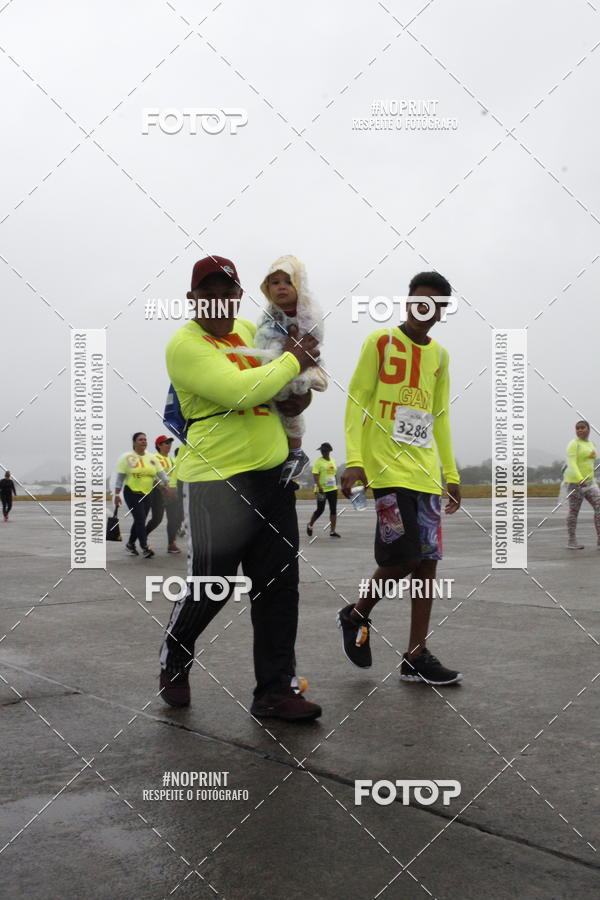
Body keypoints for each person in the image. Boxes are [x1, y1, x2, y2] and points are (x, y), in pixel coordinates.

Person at [158, 255, 322, 721]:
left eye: (227, 293)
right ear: (193, 300)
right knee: (213, 585)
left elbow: (281, 388)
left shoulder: (250, 336)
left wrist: (300, 386)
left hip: (273, 479)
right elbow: (240, 390)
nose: (218, 302)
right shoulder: (185, 346)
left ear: (237, 297)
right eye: (206, 294)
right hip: (216, 483)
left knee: (279, 588)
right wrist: (294, 359)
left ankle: (275, 690)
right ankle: (175, 653)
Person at [338, 271, 463, 685]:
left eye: (434, 303)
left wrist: (451, 472)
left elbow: (440, 418)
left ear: (442, 311)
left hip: (426, 475)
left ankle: (415, 655)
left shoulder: (440, 357)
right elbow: (357, 398)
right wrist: (355, 459)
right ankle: (356, 613)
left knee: (426, 565)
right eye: (418, 299)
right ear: (408, 301)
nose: (424, 308)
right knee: (402, 557)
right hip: (387, 474)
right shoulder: (380, 341)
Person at [254, 255, 328, 484]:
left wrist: (299, 359)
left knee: (292, 407)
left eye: (287, 282)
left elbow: (314, 341)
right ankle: (291, 452)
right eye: (275, 283)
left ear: (299, 285)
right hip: (275, 364)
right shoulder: (269, 316)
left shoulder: (309, 312)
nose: (281, 287)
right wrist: (284, 355)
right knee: (280, 401)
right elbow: (263, 340)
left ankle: (296, 450)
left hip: (302, 366)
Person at [114, 433, 168, 558]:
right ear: (134, 442)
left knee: (140, 519)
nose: (143, 441)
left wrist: (167, 484)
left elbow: (161, 473)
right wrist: (117, 494)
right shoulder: (127, 458)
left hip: (147, 493)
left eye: (145, 440)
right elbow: (120, 478)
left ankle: (130, 544)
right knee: (140, 519)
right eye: (140, 440)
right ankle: (145, 547)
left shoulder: (152, 458)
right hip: (131, 492)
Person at [564, 419, 600, 549]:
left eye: (582, 428)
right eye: (577, 428)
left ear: (588, 429)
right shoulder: (573, 444)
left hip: (590, 483)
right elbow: (572, 463)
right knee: (574, 512)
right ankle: (571, 541)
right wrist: (580, 478)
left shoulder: (591, 444)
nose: (579, 430)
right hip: (575, 483)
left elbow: (588, 462)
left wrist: (592, 456)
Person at [147, 435, 181, 554]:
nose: (169, 445)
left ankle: (171, 544)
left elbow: (174, 476)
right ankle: (141, 537)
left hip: (171, 493)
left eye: (170, 443)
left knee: (174, 519)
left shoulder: (172, 460)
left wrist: (174, 489)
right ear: (159, 445)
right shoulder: (154, 458)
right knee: (157, 519)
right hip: (158, 492)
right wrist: (163, 487)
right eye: (166, 443)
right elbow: (153, 474)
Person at [307, 442, 341, 538]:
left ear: (329, 451)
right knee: (320, 509)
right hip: (320, 490)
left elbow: (334, 474)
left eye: (324, 451)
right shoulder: (318, 462)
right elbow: (315, 474)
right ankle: (310, 525)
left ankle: (332, 531)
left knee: (333, 509)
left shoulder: (333, 461)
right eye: (322, 451)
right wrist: (319, 486)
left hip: (332, 489)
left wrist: (336, 485)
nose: (323, 452)